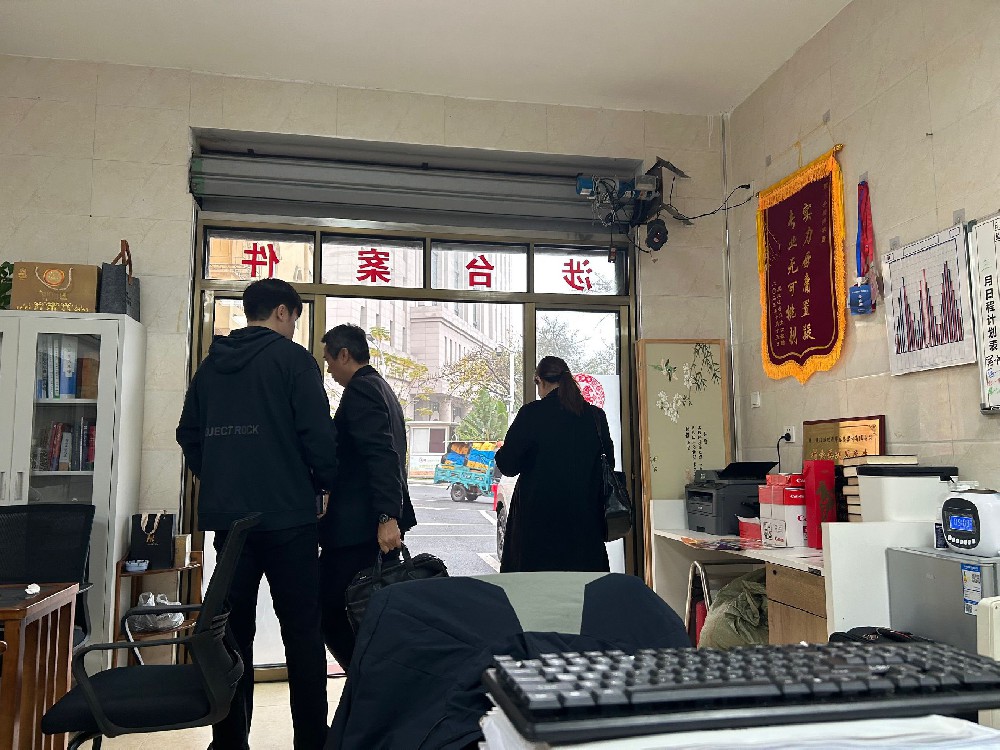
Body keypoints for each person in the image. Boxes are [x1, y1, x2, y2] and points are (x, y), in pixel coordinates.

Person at [176, 278, 338, 750]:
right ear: (283, 312)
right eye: (295, 320)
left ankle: (230, 744)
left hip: (231, 525)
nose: (293, 329)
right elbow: (318, 437)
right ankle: (312, 742)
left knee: (230, 638)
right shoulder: (294, 361)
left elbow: (189, 435)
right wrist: (323, 484)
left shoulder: (211, 367)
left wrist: (220, 478)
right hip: (289, 519)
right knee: (302, 635)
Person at [319, 323, 417, 668]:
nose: (329, 370)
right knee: (365, 612)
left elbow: (381, 454)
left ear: (345, 354)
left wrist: (387, 516)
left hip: (360, 528)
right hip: (366, 526)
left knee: (331, 609)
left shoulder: (361, 390)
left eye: (329, 360)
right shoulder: (380, 387)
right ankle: (371, 680)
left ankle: (367, 680)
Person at [495, 355, 612, 573]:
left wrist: (501, 451)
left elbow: (508, 466)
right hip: (585, 526)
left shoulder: (531, 414)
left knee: (536, 588)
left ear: (540, 380)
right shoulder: (595, 417)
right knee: (582, 589)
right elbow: (608, 463)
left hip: (537, 527)